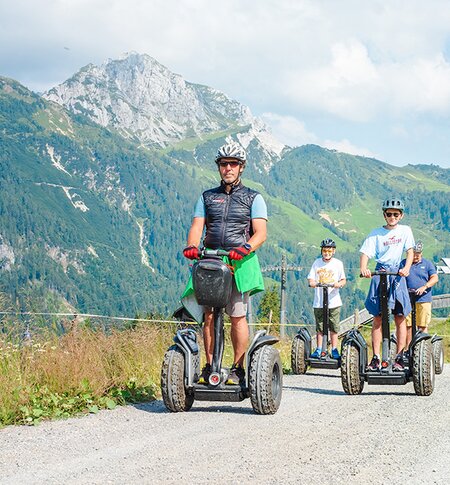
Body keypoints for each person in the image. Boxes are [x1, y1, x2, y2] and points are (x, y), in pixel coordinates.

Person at [182, 142, 267, 385]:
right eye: (223, 164)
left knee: (237, 316)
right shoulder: (207, 196)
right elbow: (197, 225)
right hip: (210, 260)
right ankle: (210, 367)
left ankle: (238, 369)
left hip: (239, 263)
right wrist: (191, 245)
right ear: (219, 167)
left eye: (233, 164)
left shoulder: (253, 197)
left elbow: (260, 233)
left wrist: (245, 248)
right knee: (209, 315)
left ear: (241, 167)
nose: (228, 168)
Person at [360, 197, 415, 371]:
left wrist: (406, 268)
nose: (392, 217)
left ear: (401, 216)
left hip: (397, 273)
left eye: (395, 214)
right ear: (384, 215)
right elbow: (365, 253)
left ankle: (399, 356)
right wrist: (364, 268)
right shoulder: (376, 233)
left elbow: (410, 251)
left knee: (400, 316)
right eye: (389, 214)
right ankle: (376, 357)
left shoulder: (405, 230)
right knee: (378, 317)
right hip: (381, 271)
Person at [307, 238, 346, 359]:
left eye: (329, 251)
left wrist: (339, 284)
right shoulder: (317, 263)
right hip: (319, 301)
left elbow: (343, 280)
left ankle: (334, 349)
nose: (327, 253)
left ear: (333, 251)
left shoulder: (338, 263)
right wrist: (313, 283)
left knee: (334, 326)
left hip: (333, 301)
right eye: (325, 251)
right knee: (320, 326)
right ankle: (319, 349)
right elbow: (311, 278)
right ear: (321, 251)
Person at [401, 241, 438, 346]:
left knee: (422, 325)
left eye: (418, 254)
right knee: (408, 326)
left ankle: (422, 348)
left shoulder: (427, 264)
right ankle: (408, 350)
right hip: (407, 299)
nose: (416, 256)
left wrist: (425, 286)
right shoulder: (404, 263)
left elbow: (435, 278)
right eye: (414, 254)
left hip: (423, 298)